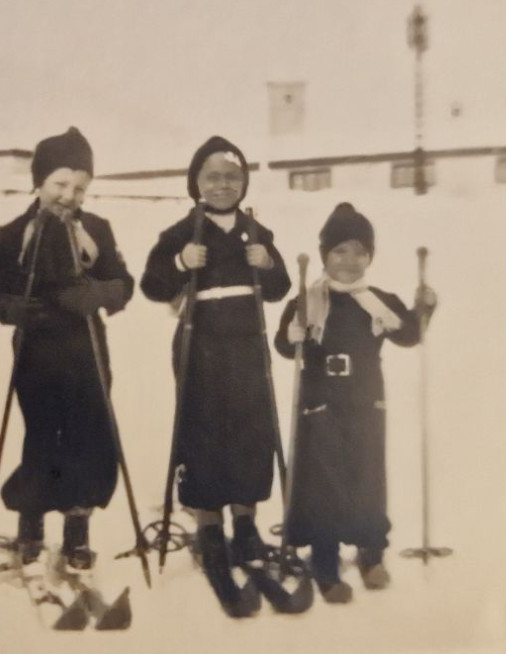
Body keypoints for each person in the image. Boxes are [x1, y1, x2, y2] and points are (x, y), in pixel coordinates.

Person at [140, 135, 290, 616]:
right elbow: (152, 282)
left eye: (232, 176)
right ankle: (208, 529)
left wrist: (267, 264)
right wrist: (182, 262)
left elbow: (279, 288)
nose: (223, 185)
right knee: (203, 434)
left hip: (247, 342)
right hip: (199, 344)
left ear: (244, 182)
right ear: (196, 184)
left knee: (252, 431)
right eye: (213, 177)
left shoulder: (255, 230)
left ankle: (245, 527)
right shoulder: (184, 230)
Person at [0, 127, 134, 570]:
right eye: (59, 185)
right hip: (37, 347)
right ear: (39, 182)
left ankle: (77, 527)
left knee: (89, 432)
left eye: (80, 188)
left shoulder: (97, 229)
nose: (69, 196)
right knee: (43, 430)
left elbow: (124, 282)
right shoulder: (15, 232)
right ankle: (30, 522)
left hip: (85, 344)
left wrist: (100, 294)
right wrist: (11, 306)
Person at [274, 201, 437, 602]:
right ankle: (325, 561)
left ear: (370, 257)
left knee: (366, 475)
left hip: (366, 398)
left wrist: (424, 308)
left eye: (360, 252)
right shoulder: (307, 300)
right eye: (340, 251)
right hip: (320, 400)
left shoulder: (378, 300)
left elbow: (408, 335)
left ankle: (370, 553)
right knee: (324, 481)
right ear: (325, 255)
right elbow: (283, 344)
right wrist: (291, 337)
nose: (350, 261)